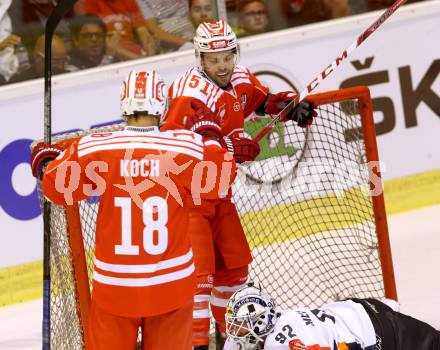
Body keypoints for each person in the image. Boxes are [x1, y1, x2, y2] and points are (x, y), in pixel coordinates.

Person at [30, 70, 237, 350]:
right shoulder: (186, 146)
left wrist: (43, 164)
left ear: (124, 104)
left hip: (114, 289)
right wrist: (211, 135)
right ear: (162, 105)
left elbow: (56, 188)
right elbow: (221, 179)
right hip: (172, 287)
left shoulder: (95, 147)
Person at [161, 20, 316, 349]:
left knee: (234, 272)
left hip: (219, 195)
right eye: (213, 59)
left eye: (227, 56)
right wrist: (232, 148)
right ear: (199, 59)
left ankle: (236, 343)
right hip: (186, 199)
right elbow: (175, 148)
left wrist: (289, 108)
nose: (222, 65)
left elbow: (262, 101)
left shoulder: (241, 77)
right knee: (199, 281)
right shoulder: (188, 94)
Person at [225, 283, 440, 350]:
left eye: (241, 325)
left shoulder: (278, 342)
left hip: (382, 332)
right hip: (362, 312)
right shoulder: (237, 342)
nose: (235, 331)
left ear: (261, 323)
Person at [75, 0, 157, 60]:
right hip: (110, 58)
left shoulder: (130, 1)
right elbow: (102, 42)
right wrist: (138, 59)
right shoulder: (88, 3)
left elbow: (142, 31)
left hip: (137, 55)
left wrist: (149, 48)